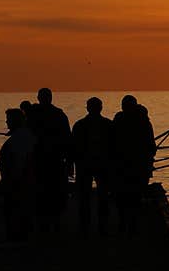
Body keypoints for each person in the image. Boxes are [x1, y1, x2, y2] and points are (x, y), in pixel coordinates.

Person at [111, 94, 156, 237]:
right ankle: (133, 226)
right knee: (135, 197)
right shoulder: (144, 121)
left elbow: (111, 143)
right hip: (139, 167)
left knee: (123, 197)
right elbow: (151, 146)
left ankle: (124, 224)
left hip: (123, 167)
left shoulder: (119, 119)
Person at [28, 88, 71, 232]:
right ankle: (55, 223)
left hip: (42, 160)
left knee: (43, 193)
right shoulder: (59, 114)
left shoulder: (33, 115)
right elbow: (67, 139)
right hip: (54, 160)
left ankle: (44, 224)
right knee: (54, 193)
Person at [71, 97, 113, 236]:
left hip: (84, 165)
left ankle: (85, 226)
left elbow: (73, 148)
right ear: (101, 108)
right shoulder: (108, 124)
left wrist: (70, 166)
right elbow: (114, 148)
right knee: (103, 196)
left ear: (87, 108)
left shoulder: (79, 125)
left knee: (84, 197)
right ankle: (103, 226)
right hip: (103, 165)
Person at [0, 108, 37, 242]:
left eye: (8, 120)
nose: (6, 122)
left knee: (15, 211)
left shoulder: (19, 139)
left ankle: (16, 238)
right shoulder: (28, 136)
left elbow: (19, 162)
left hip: (17, 182)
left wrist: (11, 181)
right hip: (22, 181)